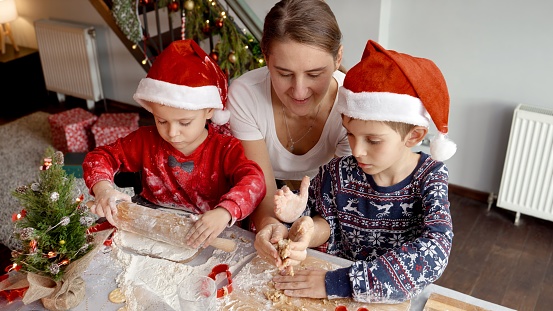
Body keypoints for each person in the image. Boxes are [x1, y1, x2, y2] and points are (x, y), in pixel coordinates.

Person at [268, 40, 457, 303]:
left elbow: (435, 250)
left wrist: (340, 283)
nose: (356, 151)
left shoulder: (430, 178)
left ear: (414, 136)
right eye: (351, 134)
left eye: (373, 140)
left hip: (381, 297)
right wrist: (301, 221)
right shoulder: (339, 172)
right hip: (332, 289)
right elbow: (326, 223)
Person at [82, 39, 266, 250]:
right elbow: (99, 157)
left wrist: (225, 212)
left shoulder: (225, 148)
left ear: (209, 111)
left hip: (208, 229)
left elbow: (255, 181)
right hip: (153, 222)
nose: (171, 132)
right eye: (161, 120)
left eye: (184, 122)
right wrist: (103, 189)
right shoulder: (145, 140)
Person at [226, 0, 351, 242]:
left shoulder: (352, 106)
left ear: (338, 59)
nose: (299, 91)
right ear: (265, 57)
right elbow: (260, 185)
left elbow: (335, 202)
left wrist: (304, 235)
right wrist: (271, 227)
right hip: (265, 192)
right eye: (284, 73)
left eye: (314, 74)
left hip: (325, 205)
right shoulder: (246, 94)